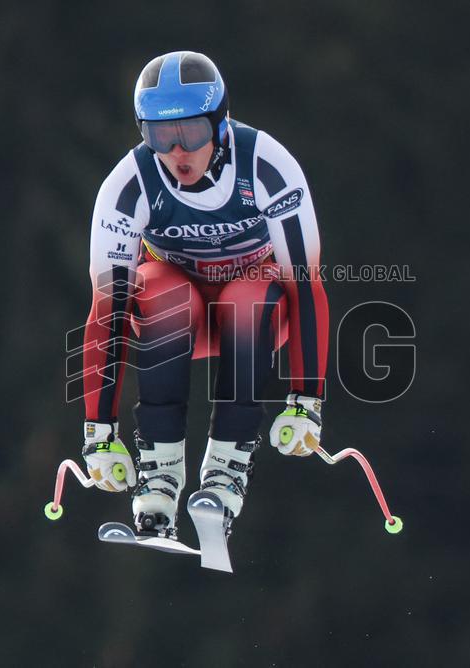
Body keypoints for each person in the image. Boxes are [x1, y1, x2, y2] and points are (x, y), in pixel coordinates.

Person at [80, 51, 329, 539]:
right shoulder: (127, 187)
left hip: (254, 316)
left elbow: (306, 283)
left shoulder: (268, 166)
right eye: (159, 136)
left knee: (248, 295)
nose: (177, 154)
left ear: (220, 123)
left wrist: (307, 402)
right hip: (173, 321)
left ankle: (225, 472)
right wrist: (98, 434)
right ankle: (160, 479)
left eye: (191, 134)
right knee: (162, 290)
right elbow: (105, 312)